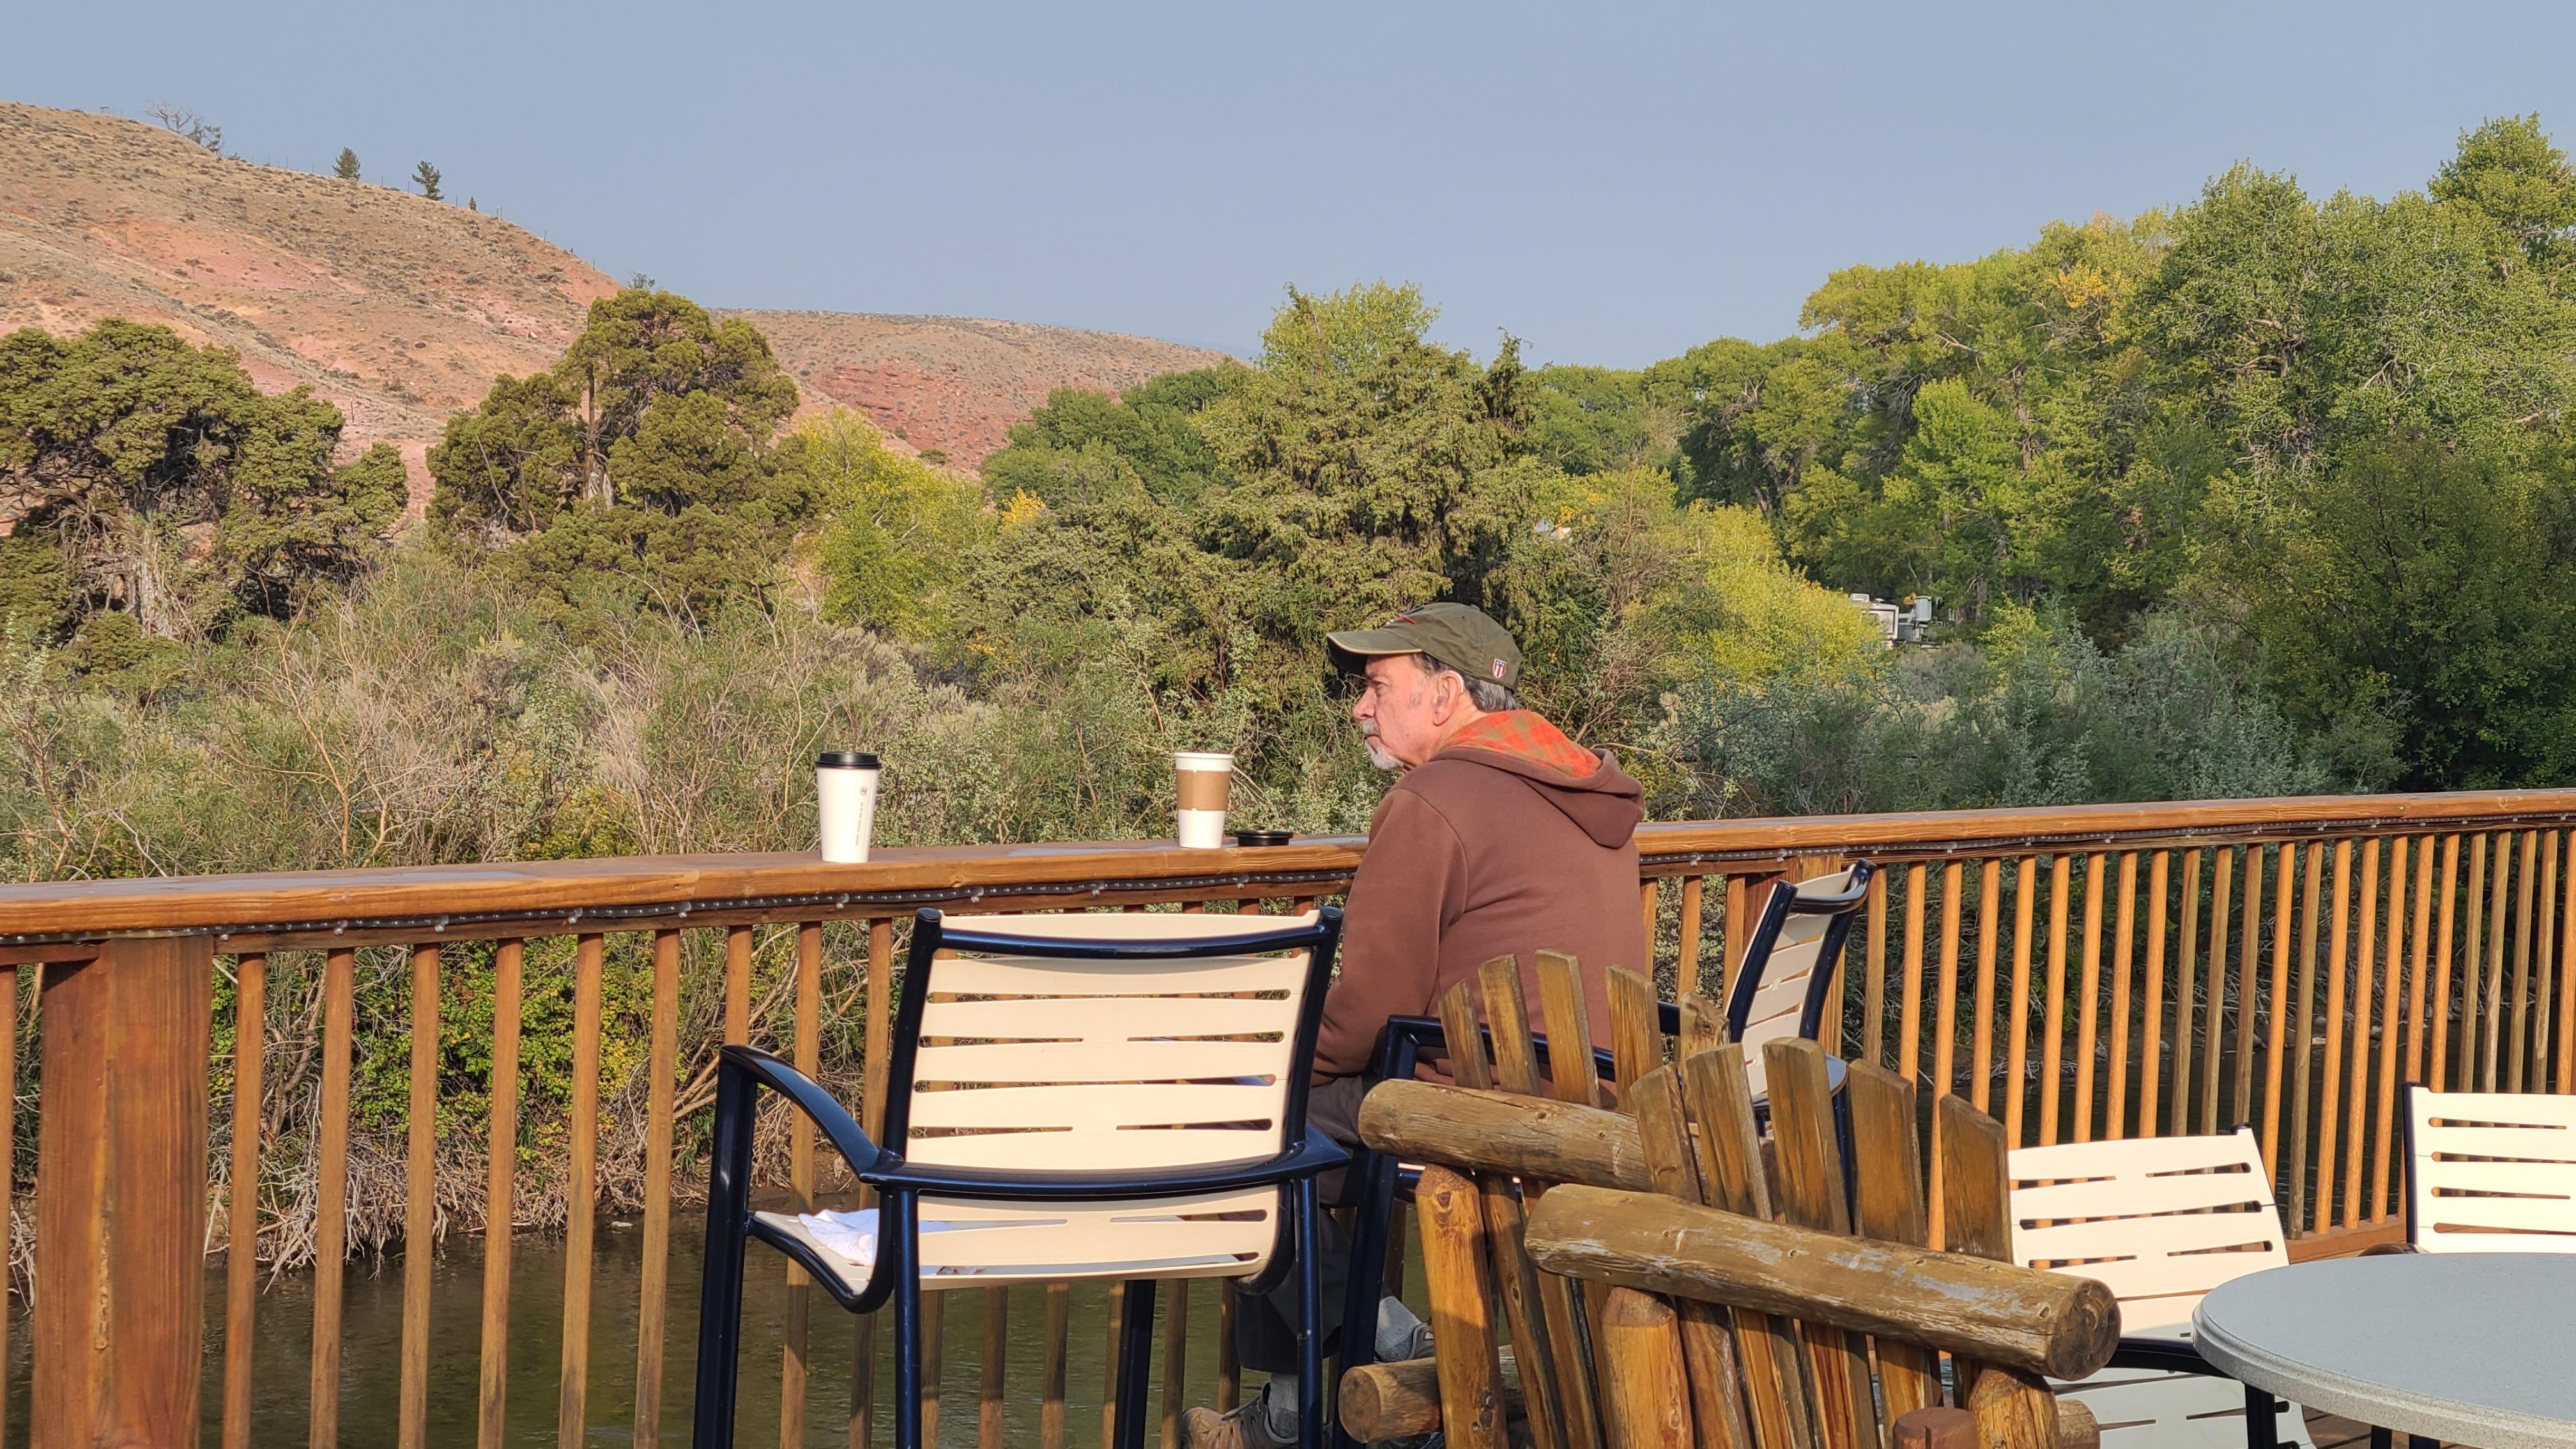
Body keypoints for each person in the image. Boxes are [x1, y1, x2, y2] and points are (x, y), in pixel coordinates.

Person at [1185, 602, 1650, 1449]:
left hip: (1474, 1104)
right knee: (1284, 1142)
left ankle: (1378, 1347)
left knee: (1223, 1127)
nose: (1360, 708)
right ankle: (1296, 1405)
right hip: (1592, 1098)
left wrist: (1277, 1069)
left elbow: (1368, 1007)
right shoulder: (1587, 790)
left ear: (1444, 694)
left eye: (1376, 685)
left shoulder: (1434, 800)